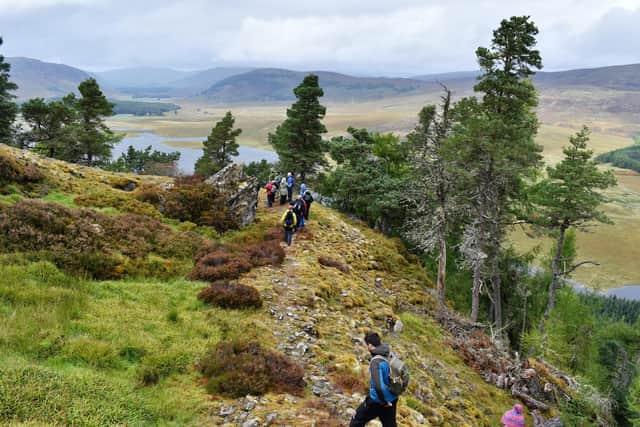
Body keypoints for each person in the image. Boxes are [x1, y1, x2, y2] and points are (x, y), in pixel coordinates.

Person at [350, 332, 398, 427]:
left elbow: (378, 386)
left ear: (370, 346)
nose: (366, 347)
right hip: (392, 398)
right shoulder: (390, 354)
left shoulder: (376, 362)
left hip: (378, 401)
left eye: (366, 345)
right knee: (390, 424)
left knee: (356, 420)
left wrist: (384, 402)